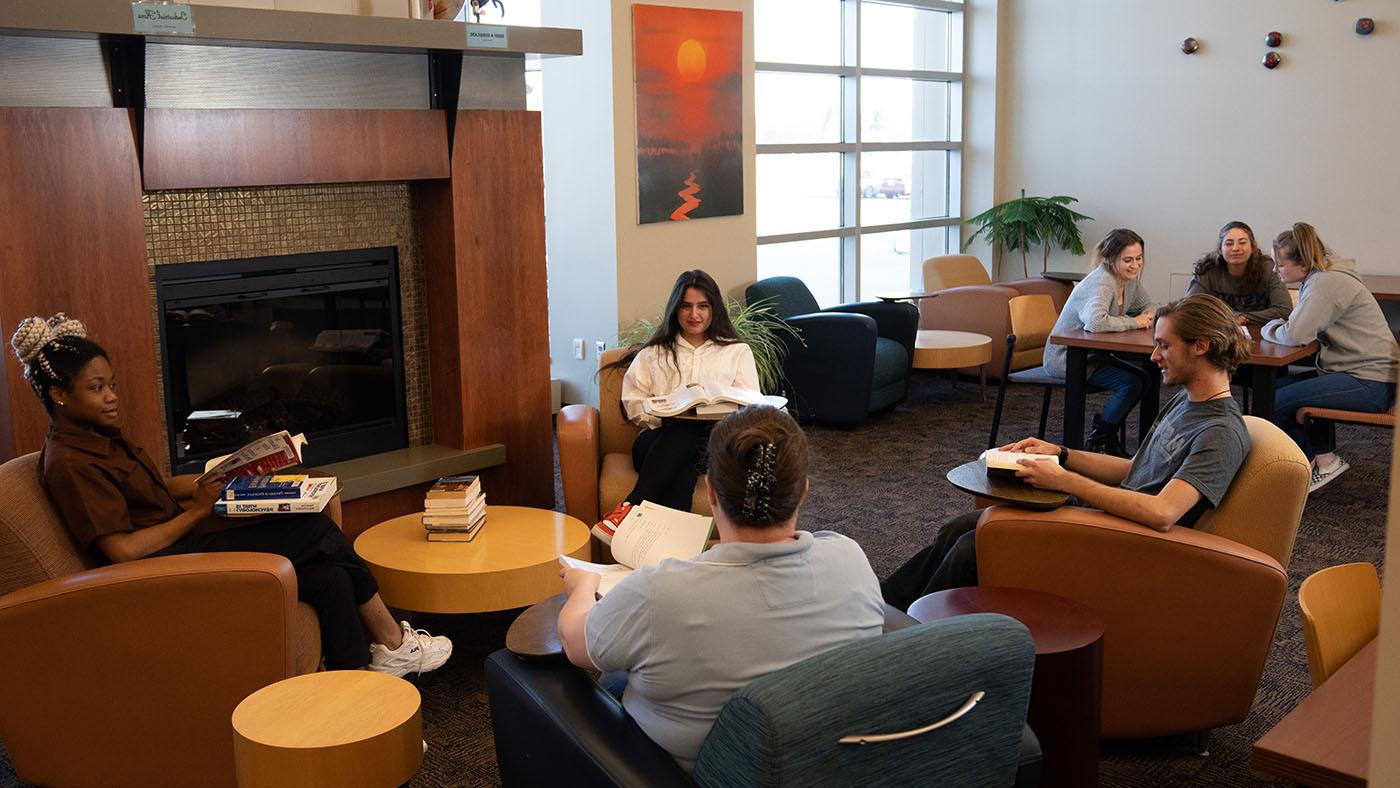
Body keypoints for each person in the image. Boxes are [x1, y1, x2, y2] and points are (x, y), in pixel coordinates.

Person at [8, 314, 451, 676]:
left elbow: (155, 487)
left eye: (112, 384)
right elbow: (123, 550)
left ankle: (356, 689)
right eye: (97, 388)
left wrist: (223, 474)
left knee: (330, 578)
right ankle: (392, 642)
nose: (112, 397)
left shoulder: (97, 437)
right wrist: (198, 511)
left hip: (186, 544)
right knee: (317, 531)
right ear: (59, 395)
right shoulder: (70, 463)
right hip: (167, 571)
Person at [557, 405, 885, 773]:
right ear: (803, 492)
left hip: (679, 771)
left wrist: (583, 586)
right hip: (823, 763)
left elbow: (574, 644)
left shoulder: (661, 593)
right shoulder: (850, 560)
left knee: (603, 667)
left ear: (711, 491)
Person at [883, 294, 1253, 609]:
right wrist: (1060, 453)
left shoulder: (1220, 432)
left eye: (1165, 345)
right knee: (960, 528)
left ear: (1201, 345)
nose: (1154, 355)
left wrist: (1064, 480)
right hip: (1104, 521)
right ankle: (880, 610)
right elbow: (1136, 469)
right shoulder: (1187, 403)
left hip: (1124, 544)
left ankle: (912, 641)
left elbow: (1162, 512)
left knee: (973, 546)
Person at [593, 269, 760, 542]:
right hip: (655, 441)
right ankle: (676, 548)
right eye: (686, 306)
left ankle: (629, 513)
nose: (694, 315)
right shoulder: (653, 353)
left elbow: (749, 404)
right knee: (681, 435)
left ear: (713, 308)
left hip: (713, 445)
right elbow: (634, 404)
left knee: (684, 457)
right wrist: (668, 413)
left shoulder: (736, 352)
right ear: (676, 309)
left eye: (702, 306)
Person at [1261, 222, 1398, 492]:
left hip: (1372, 382)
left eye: (1280, 264)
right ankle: (1322, 459)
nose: (1276, 271)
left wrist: (1269, 328)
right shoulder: (1322, 276)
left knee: (1274, 401)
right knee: (1274, 390)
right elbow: (1299, 327)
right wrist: (1285, 327)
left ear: (1302, 263)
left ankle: (1296, 473)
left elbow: (1296, 334)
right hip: (1362, 373)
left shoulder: (1326, 283)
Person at [1043, 228, 1156, 456]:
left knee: (1145, 379)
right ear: (1111, 258)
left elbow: (1150, 308)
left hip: (1094, 356)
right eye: (1128, 260)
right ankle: (1099, 439)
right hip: (1066, 358)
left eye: (1138, 258)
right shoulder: (1102, 281)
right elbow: (1095, 323)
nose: (1135, 265)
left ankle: (1105, 436)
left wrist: (1139, 318)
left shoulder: (1129, 280)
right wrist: (1134, 322)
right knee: (1132, 383)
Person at [1186, 220, 1293, 324]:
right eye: (1229, 244)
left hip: (1261, 334)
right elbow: (1190, 308)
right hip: (1218, 331)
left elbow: (1284, 311)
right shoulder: (1208, 269)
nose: (1235, 248)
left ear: (1252, 247)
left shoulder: (1269, 269)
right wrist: (1230, 318)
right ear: (1220, 249)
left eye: (1242, 243)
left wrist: (1242, 317)